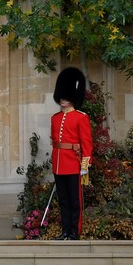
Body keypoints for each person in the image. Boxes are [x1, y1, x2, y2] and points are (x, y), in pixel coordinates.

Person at [50, 68, 93, 240]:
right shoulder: (55, 118)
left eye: (66, 96)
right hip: (59, 164)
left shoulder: (81, 117)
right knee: (63, 201)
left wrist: (85, 166)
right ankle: (65, 230)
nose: (62, 99)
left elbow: (87, 144)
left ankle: (75, 231)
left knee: (75, 201)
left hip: (74, 164)